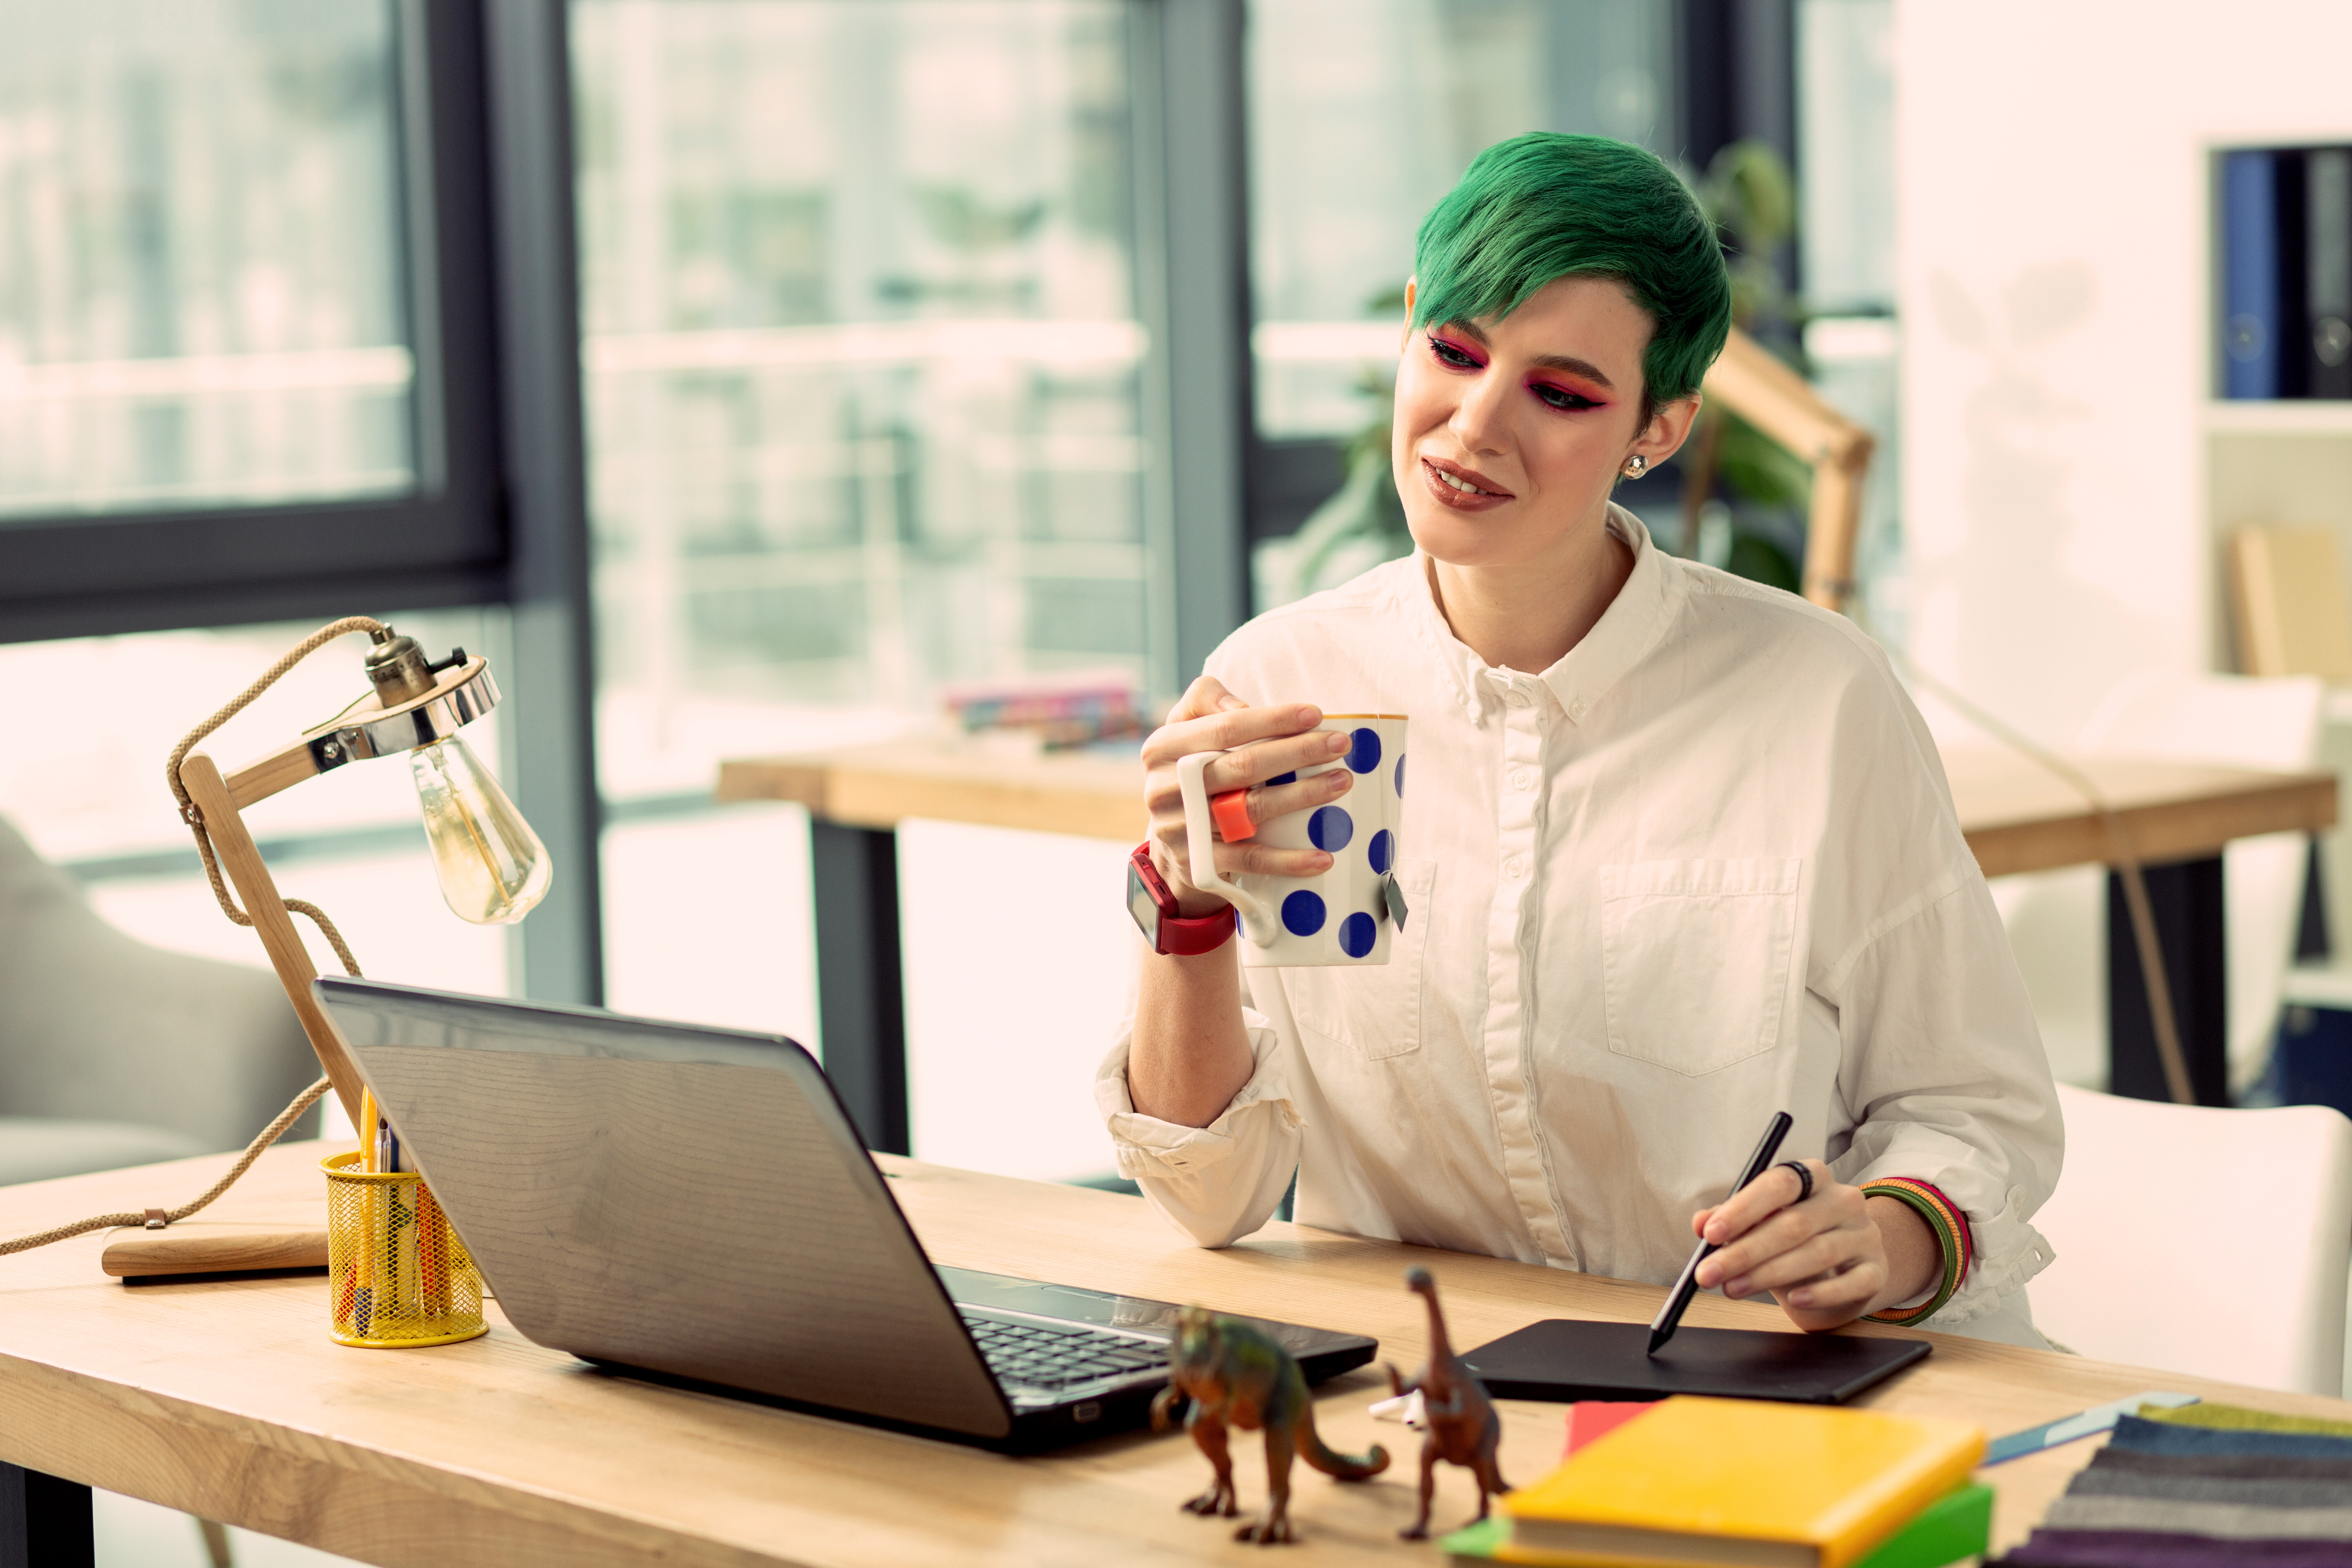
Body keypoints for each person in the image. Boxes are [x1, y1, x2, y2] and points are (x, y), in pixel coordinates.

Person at [1098, 133, 2060, 1345]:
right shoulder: (1287, 689)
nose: (1476, 427)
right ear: (1409, 329)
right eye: (1453, 353)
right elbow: (1210, 1198)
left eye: (1563, 394)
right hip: (1444, 1391)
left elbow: (1978, 1113)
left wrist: (1883, 1230)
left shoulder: (1817, 700)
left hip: (1774, 1383)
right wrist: (1181, 907)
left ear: (1657, 427)